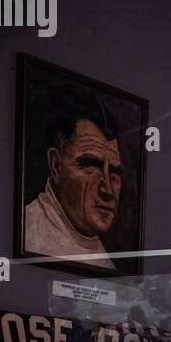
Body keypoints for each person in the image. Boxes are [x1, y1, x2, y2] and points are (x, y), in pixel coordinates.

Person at [23, 84, 122, 271]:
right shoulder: (28, 236)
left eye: (115, 172)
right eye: (90, 165)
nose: (108, 190)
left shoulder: (106, 264)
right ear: (56, 166)